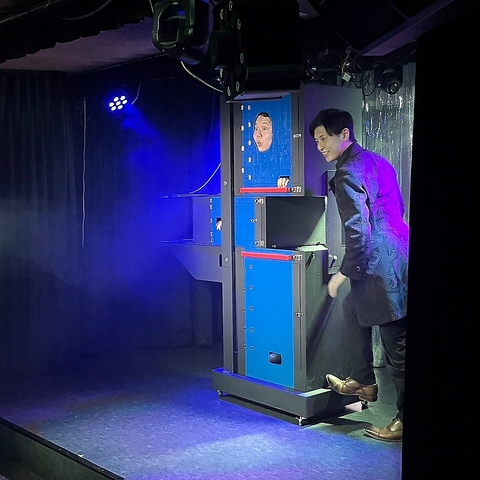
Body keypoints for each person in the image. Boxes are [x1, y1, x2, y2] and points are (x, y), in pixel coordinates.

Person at [309, 108, 409, 442]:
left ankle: (403, 419)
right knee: (352, 309)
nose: (320, 146)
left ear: (344, 134)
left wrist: (344, 272)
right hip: (401, 251)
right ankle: (364, 380)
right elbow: (399, 209)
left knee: (397, 346)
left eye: (324, 138)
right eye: (316, 141)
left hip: (381, 265)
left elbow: (357, 231)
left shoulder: (347, 173)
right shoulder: (379, 161)